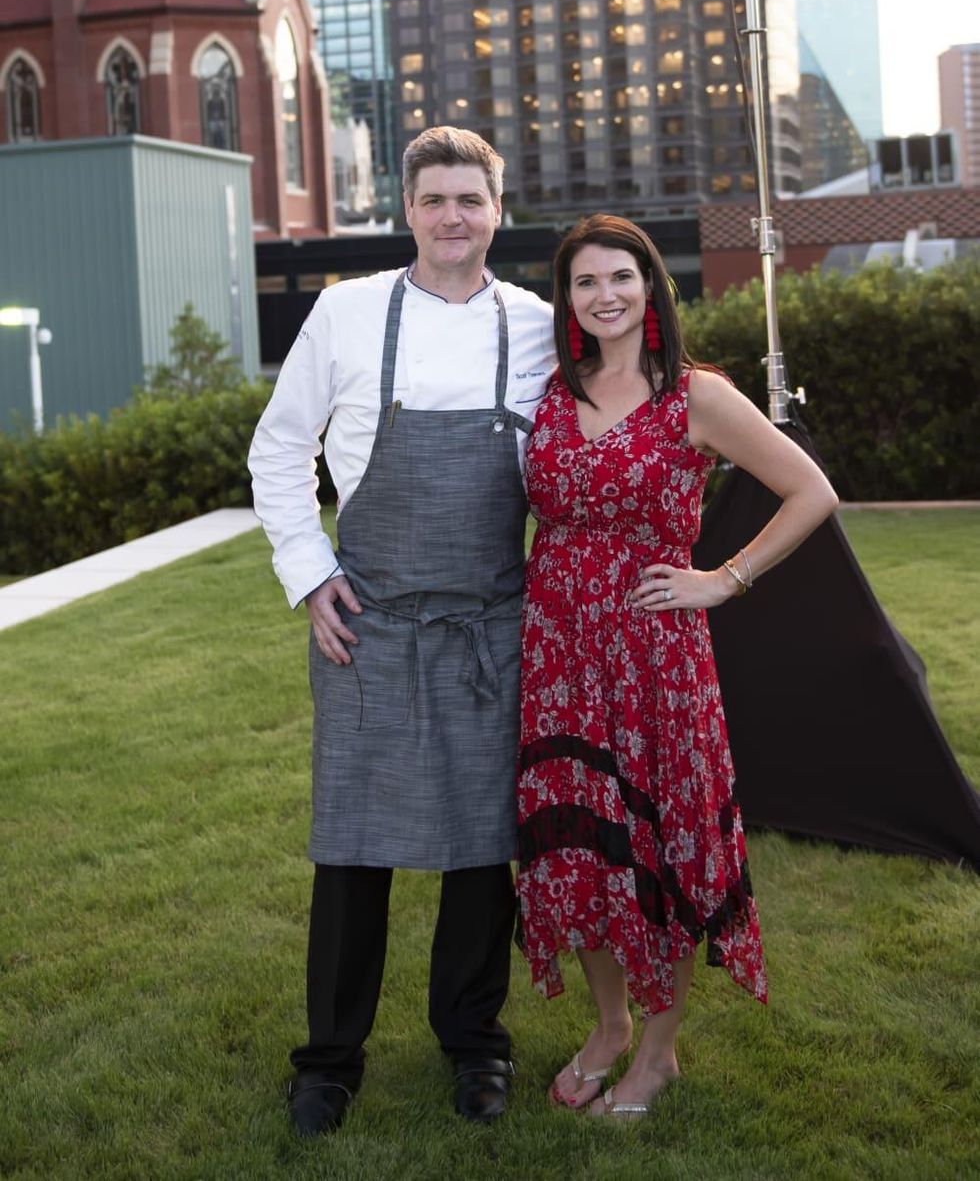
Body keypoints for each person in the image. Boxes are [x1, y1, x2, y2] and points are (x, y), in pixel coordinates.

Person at [248, 127, 555, 1136]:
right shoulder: (344, 312)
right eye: (434, 200)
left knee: (479, 847)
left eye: (471, 199)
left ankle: (474, 1044)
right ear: (407, 210)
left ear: (496, 210)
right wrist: (309, 575)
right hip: (366, 624)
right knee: (352, 849)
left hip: (487, 627)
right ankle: (329, 1061)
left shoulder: (540, 326)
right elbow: (279, 449)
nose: (453, 217)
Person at [516, 214, 838, 1118]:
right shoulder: (549, 390)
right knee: (577, 844)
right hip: (558, 654)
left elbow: (812, 490)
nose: (603, 296)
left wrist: (724, 579)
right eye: (584, 283)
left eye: (620, 277)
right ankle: (611, 1026)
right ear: (567, 299)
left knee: (658, 848)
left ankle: (658, 1053)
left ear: (651, 287)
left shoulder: (694, 396)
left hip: (657, 654)